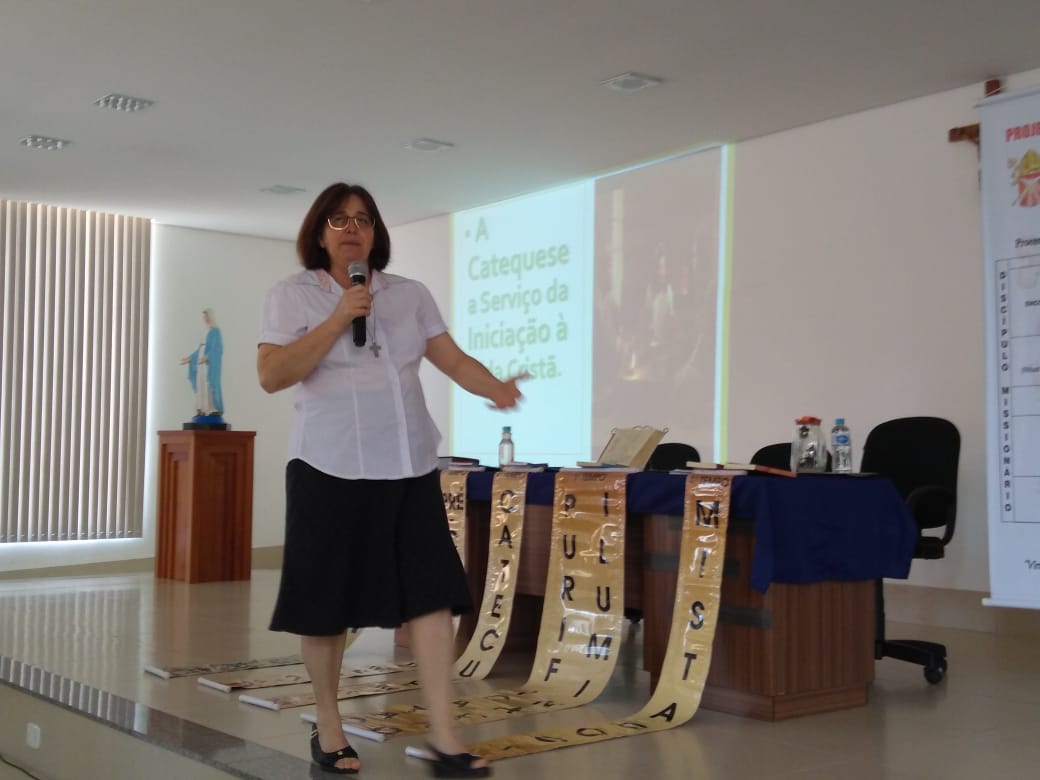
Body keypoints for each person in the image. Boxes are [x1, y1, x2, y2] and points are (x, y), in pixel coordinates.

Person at [257, 182, 525, 776]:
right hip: (327, 467)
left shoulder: (409, 295)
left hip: (407, 468)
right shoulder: (292, 295)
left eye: (362, 219)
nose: (351, 228)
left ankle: (445, 738)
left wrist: (495, 387)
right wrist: (337, 319)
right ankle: (329, 727)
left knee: (432, 597)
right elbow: (272, 374)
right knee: (325, 605)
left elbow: (451, 358)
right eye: (338, 219)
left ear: (375, 232)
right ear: (319, 232)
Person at [180, 308, 224, 417]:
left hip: (209, 363)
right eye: (204, 316)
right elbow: (200, 349)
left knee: (208, 383)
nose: (205, 318)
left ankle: (213, 408)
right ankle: (202, 408)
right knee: (201, 383)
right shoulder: (205, 331)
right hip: (200, 361)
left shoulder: (215, 331)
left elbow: (217, 348)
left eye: (206, 316)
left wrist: (208, 356)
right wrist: (190, 358)